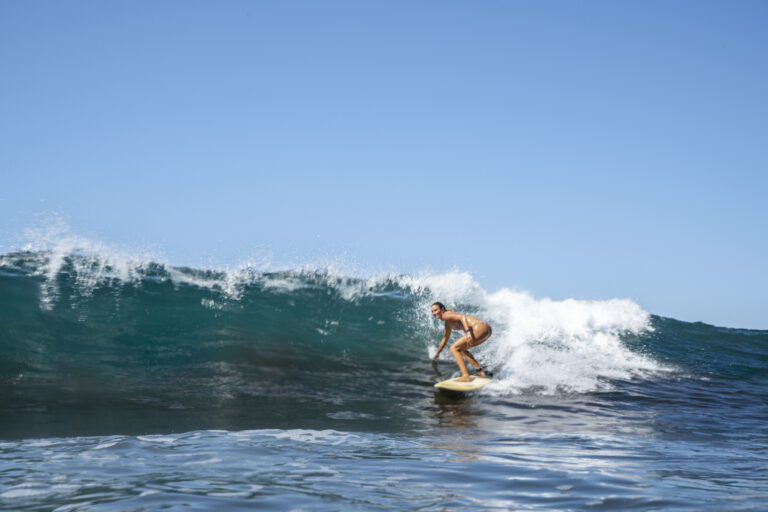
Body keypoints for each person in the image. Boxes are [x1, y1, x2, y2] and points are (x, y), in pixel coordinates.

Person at [430, 302, 492, 382]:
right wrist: (437, 354)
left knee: (453, 348)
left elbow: (462, 317)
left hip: (479, 327)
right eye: (432, 311)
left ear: (442, 309)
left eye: (435, 310)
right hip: (486, 329)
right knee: (462, 349)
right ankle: (480, 371)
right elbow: (444, 339)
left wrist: (468, 331)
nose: (434, 313)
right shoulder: (447, 323)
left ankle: (465, 376)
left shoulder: (446, 315)